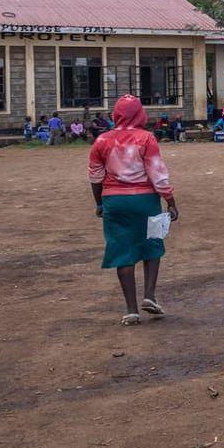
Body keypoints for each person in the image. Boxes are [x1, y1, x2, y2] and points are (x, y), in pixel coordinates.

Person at [88, 94, 178, 326]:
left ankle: (131, 311)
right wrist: (170, 200)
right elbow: (157, 173)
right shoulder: (146, 138)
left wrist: (100, 203)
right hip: (145, 200)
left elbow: (95, 177)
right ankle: (149, 295)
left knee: (122, 251)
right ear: (140, 114)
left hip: (114, 201)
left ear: (115, 115)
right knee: (153, 245)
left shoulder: (102, 141)